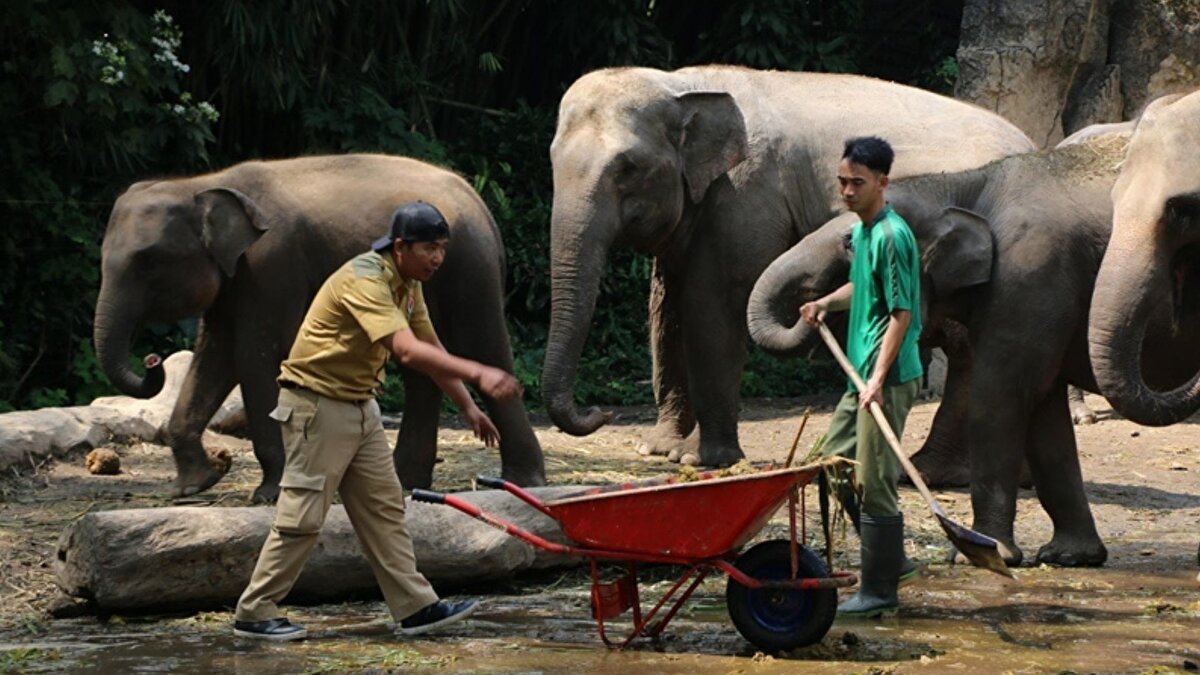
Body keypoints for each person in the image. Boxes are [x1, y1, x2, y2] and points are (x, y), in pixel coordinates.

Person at [233, 201, 523, 640]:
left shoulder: (407, 284)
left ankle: (415, 606)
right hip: (317, 404)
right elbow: (406, 351)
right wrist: (480, 372)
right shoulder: (365, 278)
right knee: (303, 516)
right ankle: (254, 612)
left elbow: (432, 347)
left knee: (385, 511)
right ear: (401, 246)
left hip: (360, 407)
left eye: (443, 248)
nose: (438, 258)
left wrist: (468, 406)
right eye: (430, 248)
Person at [800, 136, 923, 618]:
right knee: (828, 465)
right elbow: (865, 285)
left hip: (884, 379)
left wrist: (877, 379)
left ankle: (878, 592)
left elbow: (901, 314)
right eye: (842, 182)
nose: (847, 191)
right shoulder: (865, 230)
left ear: (882, 182)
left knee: (874, 483)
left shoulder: (893, 236)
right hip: (862, 379)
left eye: (857, 183)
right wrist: (826, 302)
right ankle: (896, 563)